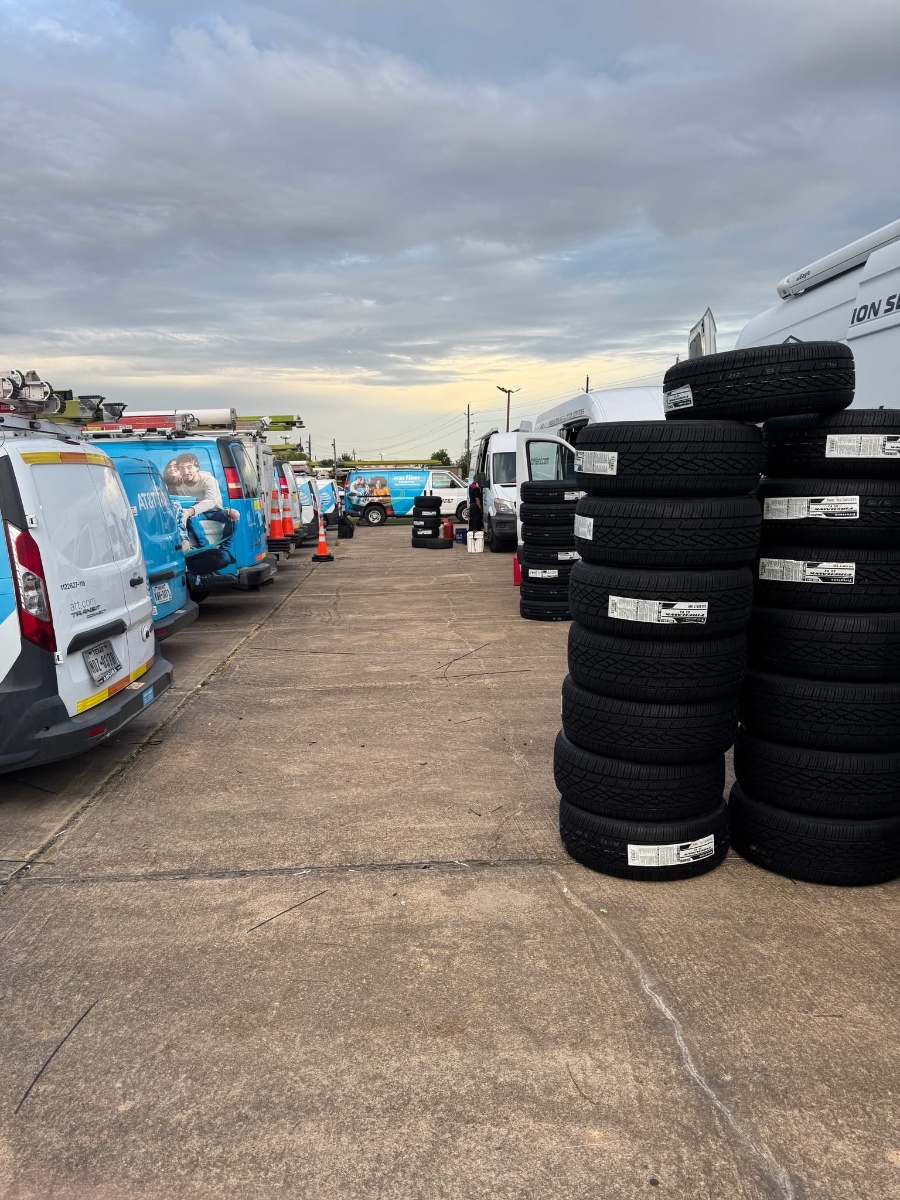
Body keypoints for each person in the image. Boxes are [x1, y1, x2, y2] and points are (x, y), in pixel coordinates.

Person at [164, 452, 240, 549]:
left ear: (197, 467)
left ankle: (225, 547)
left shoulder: (209, 480)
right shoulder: (179, 482)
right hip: (198, 513)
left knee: (235, 514)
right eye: (181, 468)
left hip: (215, 511)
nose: (186, 471)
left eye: (189, 467)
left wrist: (190, 511)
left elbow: (211, 501)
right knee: (190, 517)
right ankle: (205, 547)